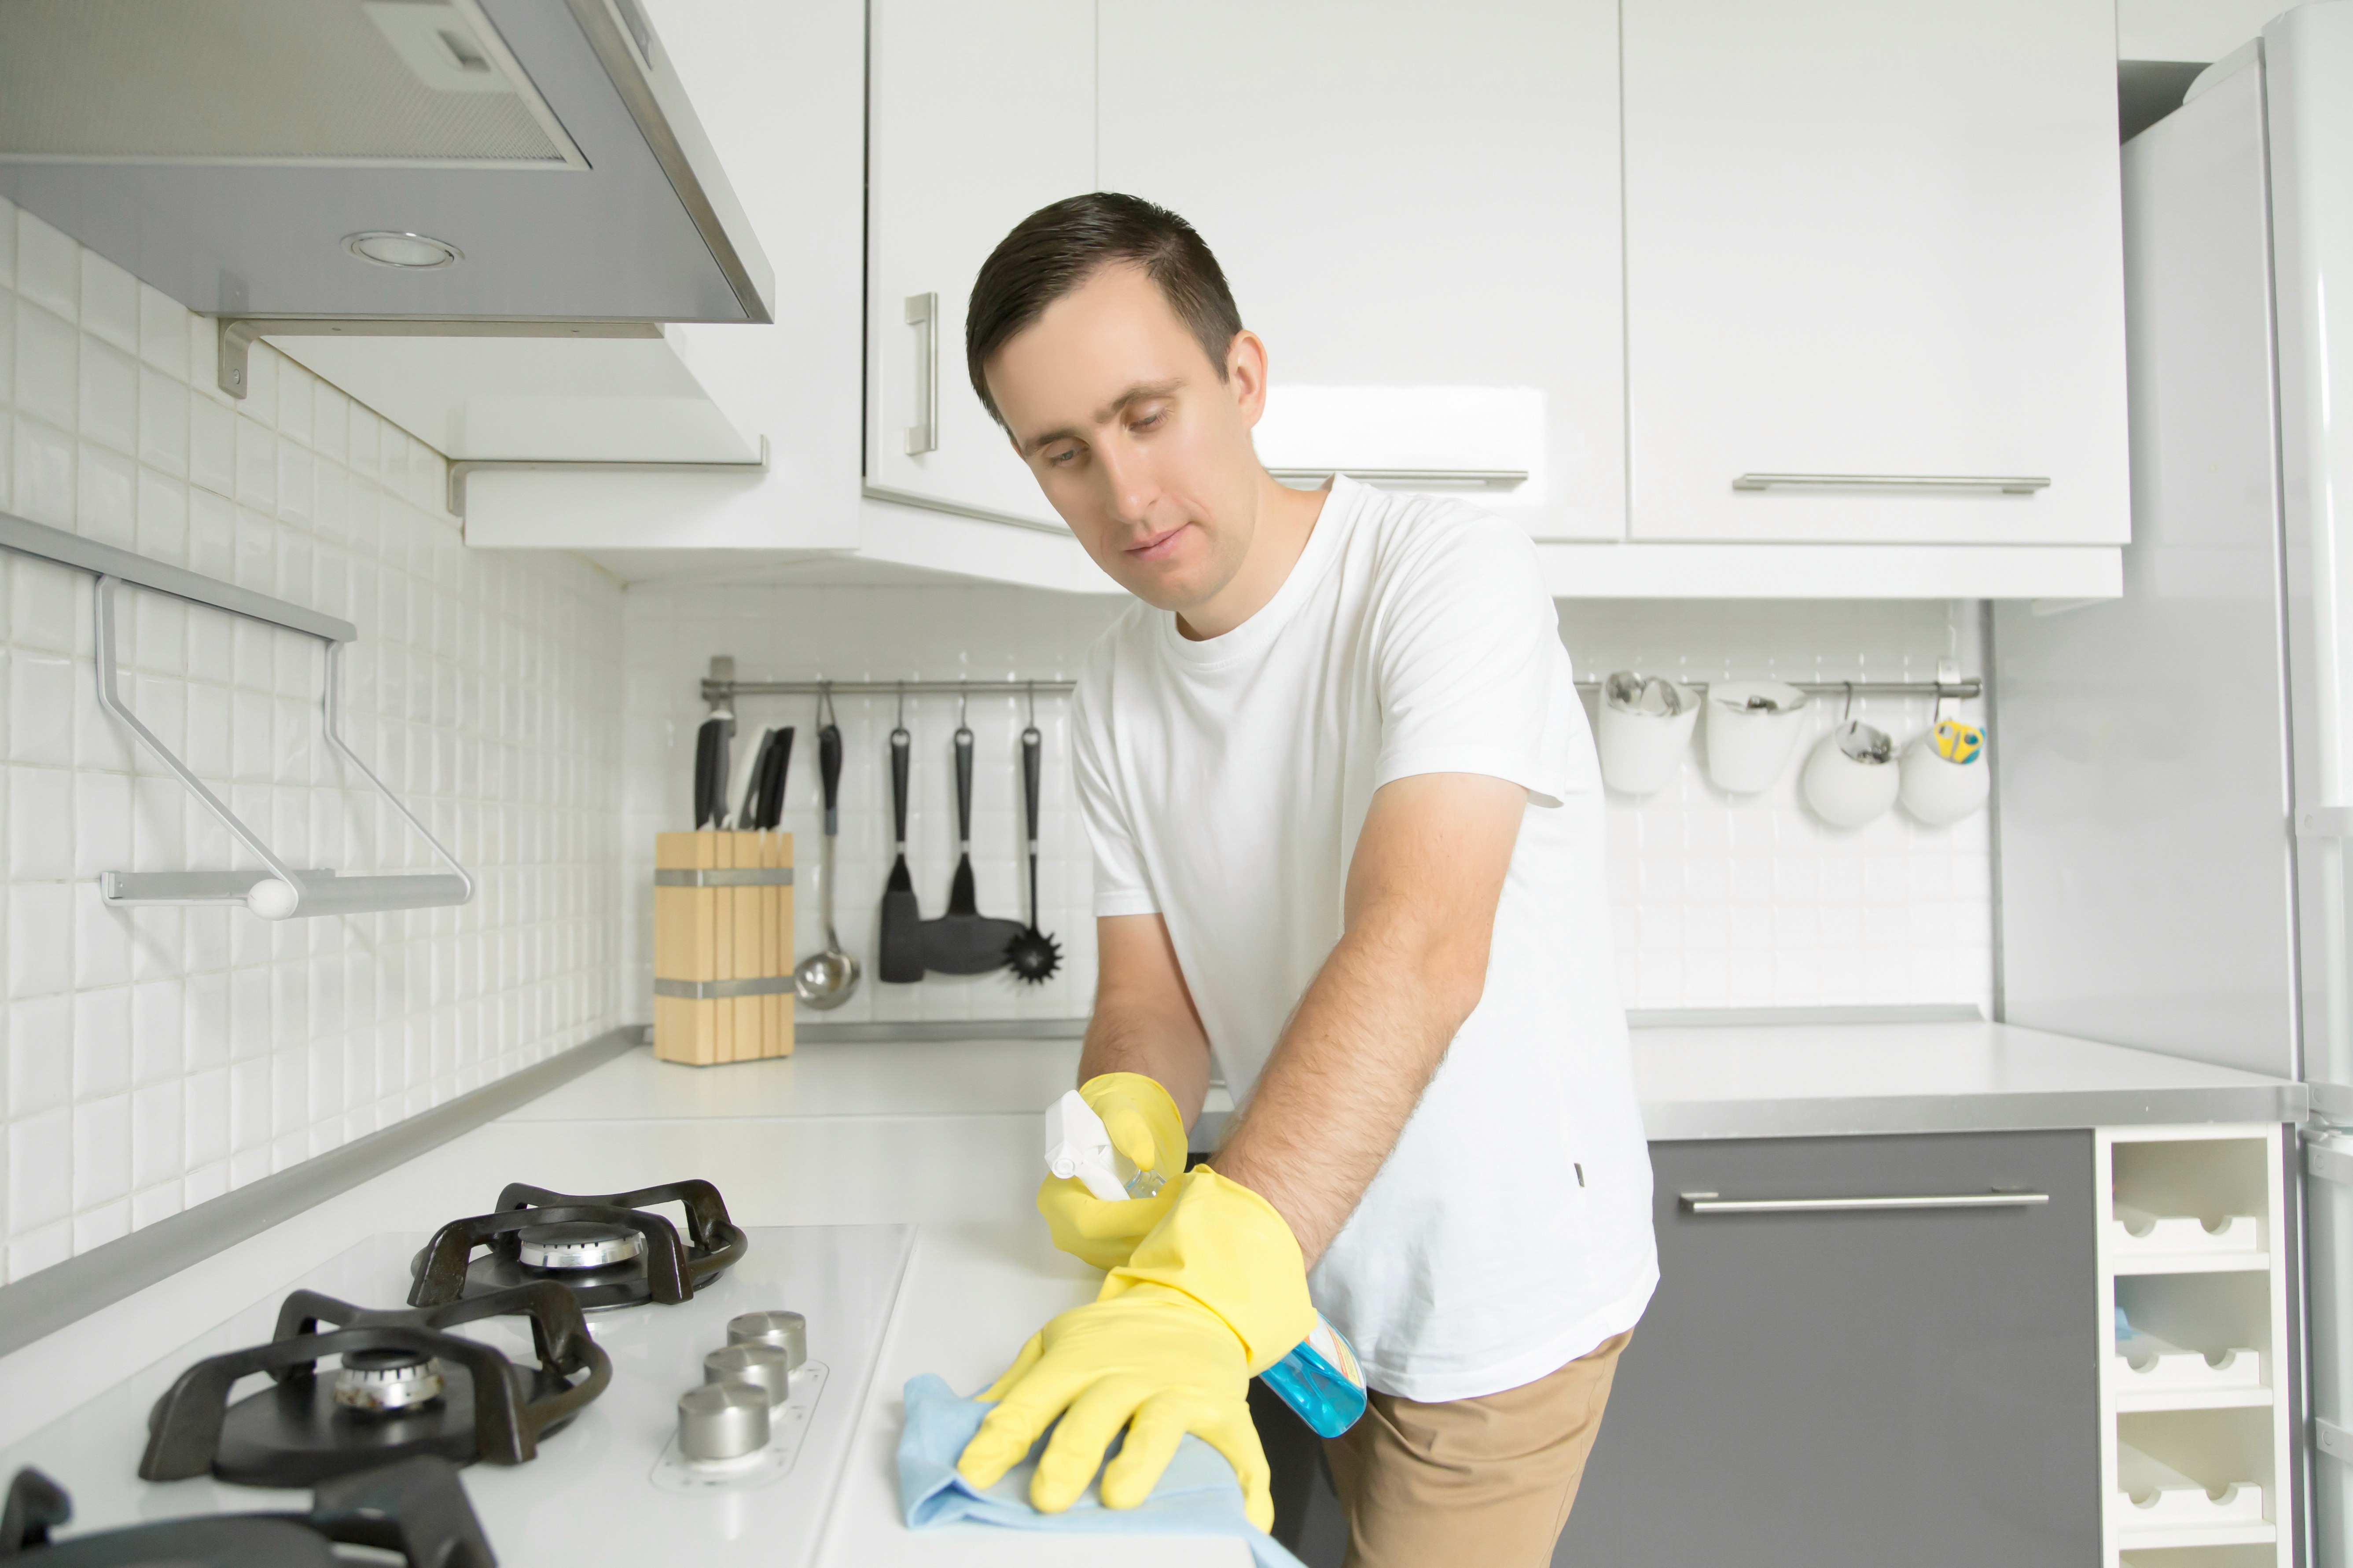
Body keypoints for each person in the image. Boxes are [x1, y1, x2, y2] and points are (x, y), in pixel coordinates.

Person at [950, 191, 1657, 1568]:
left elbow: (1420, 943)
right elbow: (1149, 995)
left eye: (1145, 414)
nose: (1123, 494)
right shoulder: (1112, 688)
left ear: (1243, 377)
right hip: (1298, 1273)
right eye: (1062, 453)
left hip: (1485, 1309)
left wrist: (1209, 1278)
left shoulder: (1441, 571)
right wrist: (1123, 1127)